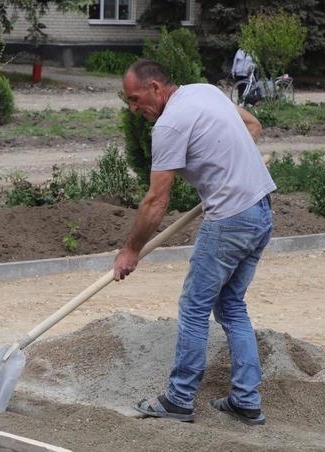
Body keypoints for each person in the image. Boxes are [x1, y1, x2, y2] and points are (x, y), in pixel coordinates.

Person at [114, 60, 275, 425]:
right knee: (231, 306)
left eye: (135, 99)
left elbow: (156, 201)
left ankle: (179, 398)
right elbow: (253, 125)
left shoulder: (169, 124)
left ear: (156, 88)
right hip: (262, 211)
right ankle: (246, 401)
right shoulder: (204, 91)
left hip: (231, 220)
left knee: (193, 307)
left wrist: (131, 251)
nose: (133, 108)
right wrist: (228, 171)